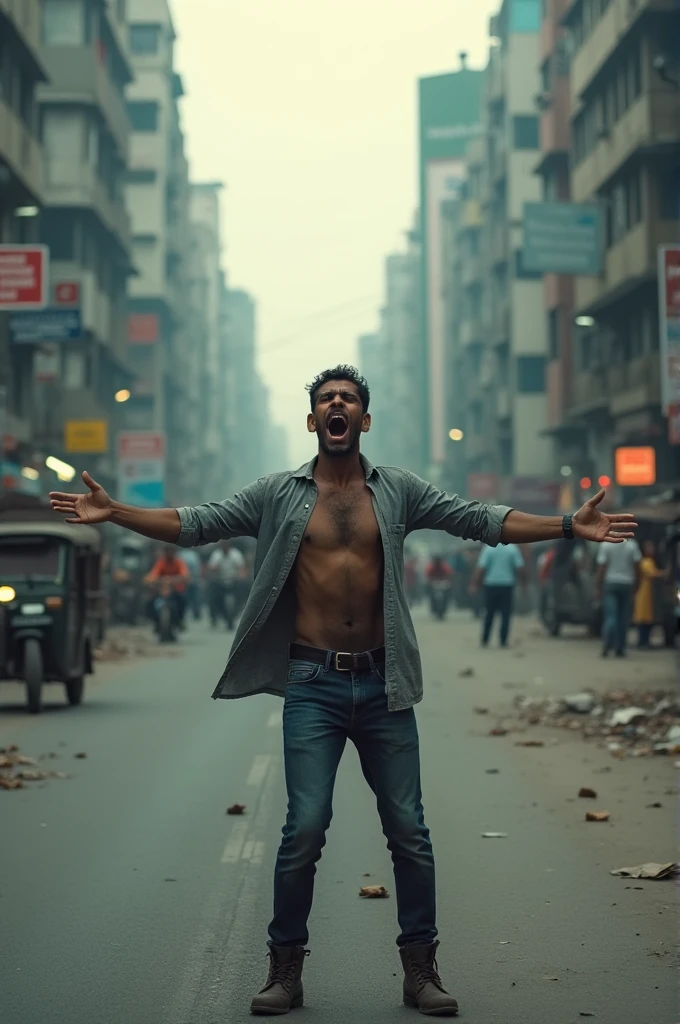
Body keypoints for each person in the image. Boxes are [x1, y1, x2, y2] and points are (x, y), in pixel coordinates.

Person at [49, 364, 637, 1018]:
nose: (337, 405)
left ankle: (420, 972)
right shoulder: (278, 494)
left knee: (409, 831)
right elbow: (197, 523)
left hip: (384, 684)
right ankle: (285, 970)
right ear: (313, 421)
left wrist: (564, 525)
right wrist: (117, 513)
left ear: (363, 419)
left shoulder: (398, 492)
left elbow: (478, 519)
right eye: (326, 398)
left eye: (349, 399)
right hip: (313, 683)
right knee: (303, 827)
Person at [471, 542, 525, 648]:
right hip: (507, 585)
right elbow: (520, 568)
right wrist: (524, 585)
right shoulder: (512, 549)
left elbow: (481, 568)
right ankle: (503, 640)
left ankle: (485, 639)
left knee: (489, 613)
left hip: (491, 585)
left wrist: (474, 584)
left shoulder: (489, 548)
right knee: (505, 614)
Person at [595, 537, 642, 657]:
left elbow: (601, 568)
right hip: (627, 584)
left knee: (611, 616)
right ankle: (619, 648)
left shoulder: (606, 545)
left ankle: (607, 644)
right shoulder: (632, 545)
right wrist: (637, 585)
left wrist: (598, 587)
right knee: (623, 618)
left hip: (610, 583)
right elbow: (637, 567)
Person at [145, 545, 190, 629]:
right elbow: (153, 574)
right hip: (162, 590)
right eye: (167, 551)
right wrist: (152, 580)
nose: (169, 553)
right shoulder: (161, 562)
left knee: (183, 600)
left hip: (176, 590)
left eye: (171, 551)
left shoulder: (179, 562)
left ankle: (180, 620)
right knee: (150, 602)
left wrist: (176, 580)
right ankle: (154, 622)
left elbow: (185, 575)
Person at [633, 540, 667, 648]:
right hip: (643, 594)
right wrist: (665, 573)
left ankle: (645, 641)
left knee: (646, 620)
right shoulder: (645, 562)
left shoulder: (650, 561)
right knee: (643, 620)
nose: (652, 550)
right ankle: (642, 642)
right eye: (649, 548)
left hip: (647, 595)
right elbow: (652, 573)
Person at [207, 540, 246, 629]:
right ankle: (214, 614)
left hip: (234, 580)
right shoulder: (216, 554)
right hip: (220, 581)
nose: (224, 546)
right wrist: (213, 570)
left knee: (243, 589)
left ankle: (241, 605)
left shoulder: (236, 554)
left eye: (226, 544)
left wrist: (241, 575)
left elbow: (242, 568)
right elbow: (211, 567)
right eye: (222, 545)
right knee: (212, 593)